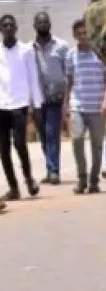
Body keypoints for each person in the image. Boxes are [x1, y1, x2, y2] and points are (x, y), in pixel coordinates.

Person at [65, 19, 106, 194]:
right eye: (79, 33)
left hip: (97, 107)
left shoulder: (100, 53)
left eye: (86, 33)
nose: (83, 36)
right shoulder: (70, 55)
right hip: (78, 105)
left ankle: (94, 180)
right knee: (76, 141)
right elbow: (69, 80)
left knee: (97, 145)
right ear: (75, 35)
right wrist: (66, 104)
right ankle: (81, 178)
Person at [0, 14, 42, 201]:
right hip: (1, 105)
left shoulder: (26, 50)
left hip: (20, 104)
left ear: (16, 28)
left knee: (19, 143)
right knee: (3, 148)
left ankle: (28, 179)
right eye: (5, 25)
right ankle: (13, 188)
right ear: (0, 29)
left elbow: (33, 78)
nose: (8, 28)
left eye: (11, 25)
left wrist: (37, 104)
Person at [31, 12, 68, 185]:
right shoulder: (29, 48)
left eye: (46, 21)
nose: (43, 24)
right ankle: (50, 168)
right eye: (39, 22)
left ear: (50, 24)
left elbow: (67, 73)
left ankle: (54, 171)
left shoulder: (61, 46)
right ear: (34, 25)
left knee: (52, 133)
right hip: (38, 99)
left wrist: (67, 98)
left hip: (55, 97)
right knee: (43, 135)